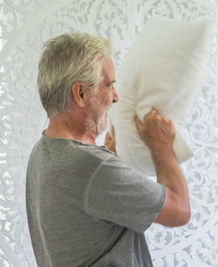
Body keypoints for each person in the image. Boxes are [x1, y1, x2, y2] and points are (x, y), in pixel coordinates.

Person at [26, 32, 190, 266]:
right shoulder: (93, 166)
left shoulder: (42, 152)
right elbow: (180, 210)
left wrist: (109, 158)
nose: (115, 97)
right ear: (80, 93)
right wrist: (161, 147)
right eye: (109, 85)